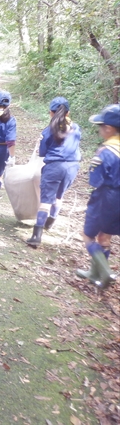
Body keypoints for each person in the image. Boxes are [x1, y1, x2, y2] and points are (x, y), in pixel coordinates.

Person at [75, 104, 120, 289]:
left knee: (88, 236)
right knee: (105, 237)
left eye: (100, 126)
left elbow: (95, 181)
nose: (99, 129)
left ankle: (105, 272)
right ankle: (94, 274)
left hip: (105, 198)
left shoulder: (105, 152)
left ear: (108, 128)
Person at [27, 97, 81, 247]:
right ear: (68, 112)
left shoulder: (49, 129)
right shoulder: (76, 128)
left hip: (54, 166)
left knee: (46, 200)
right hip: (72, 166)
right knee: (59, 195)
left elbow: (42, 152)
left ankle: (36, 235)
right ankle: (51, 221)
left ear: (51, 113)